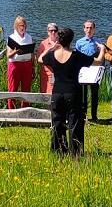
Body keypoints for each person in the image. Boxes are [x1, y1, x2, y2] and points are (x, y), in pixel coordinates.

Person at [40, 27, 102, 156]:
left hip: (57, 93)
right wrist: (102, 50)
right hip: (73, 92)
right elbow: (98, 61)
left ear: (59, 39)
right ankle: (76, 152)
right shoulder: (76, 56)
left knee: (58, 123)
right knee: (75, 124)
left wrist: (50, 48)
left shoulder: (52, 55)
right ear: (71, 40)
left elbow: (41, 59)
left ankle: (58, 151)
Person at [74, 20, 104, 122]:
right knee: (83, 94)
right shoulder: (79, 42)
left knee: (94, 93)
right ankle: (84, 115)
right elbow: (76, 57)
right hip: (84, 71)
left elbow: (102, 57)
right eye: (87, 28)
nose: (89, 30)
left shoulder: (98, 42)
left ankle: (94, 116)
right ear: (84, 29)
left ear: (94, 29)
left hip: (95, 71)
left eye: (91, 28)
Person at [4, 16, 35, 109]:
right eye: (21, 25)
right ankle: (11, 110)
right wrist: (15, 51)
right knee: (13, 88)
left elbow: (32, 53)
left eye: (24, 25)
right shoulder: (11, 37)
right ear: (16, 26)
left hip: (27, 64)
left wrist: (33, 67)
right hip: (15, 64)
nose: (23, 27)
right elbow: (8, 55)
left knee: (26, 88)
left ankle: (25, 109)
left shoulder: (29, 37)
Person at [35, 23, 60, 93]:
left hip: (59, 73)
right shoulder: (43, 43)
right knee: (47, 94)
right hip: (47, 74)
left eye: (55, 30)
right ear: (48, 32)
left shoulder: (61, 42)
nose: (53, 32)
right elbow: (39, 59)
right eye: (51, 30)